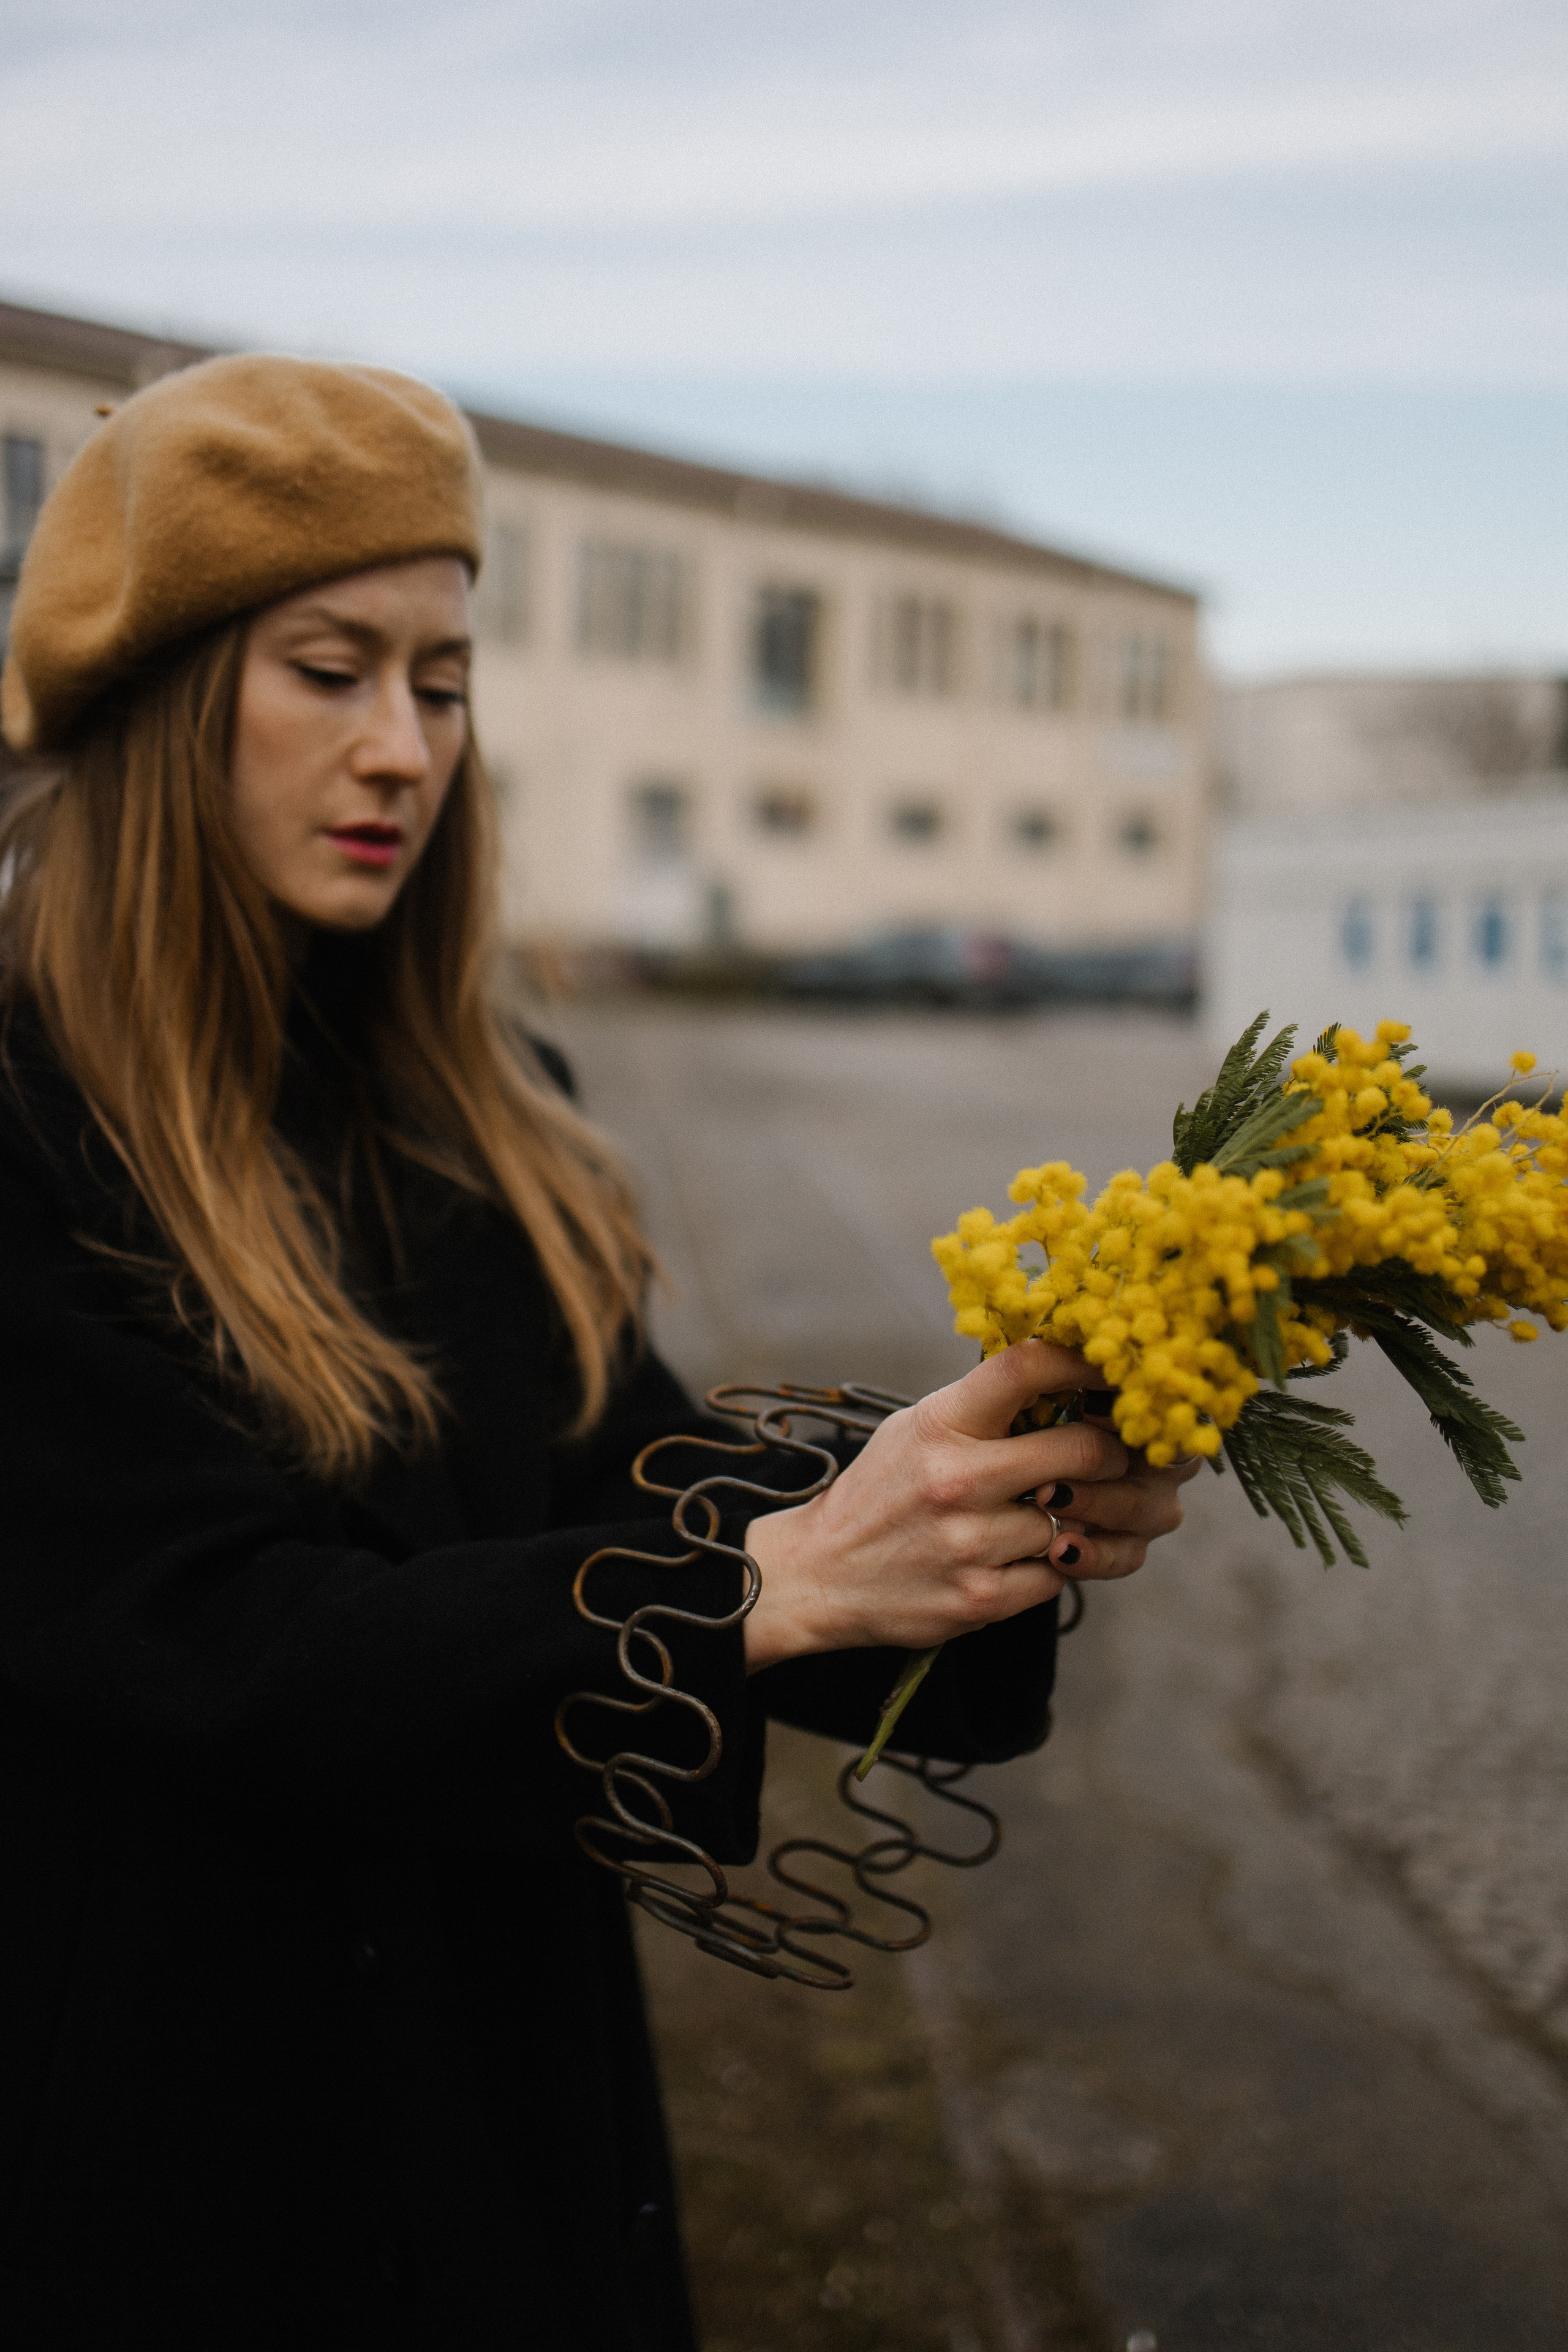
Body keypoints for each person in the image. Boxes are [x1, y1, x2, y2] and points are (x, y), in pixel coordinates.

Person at [0, 354, 1198, 2351]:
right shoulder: (24, 1116)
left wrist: (974, 1507)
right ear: (158, 694)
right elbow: (215, 1638)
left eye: (445, 683)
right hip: (173, 2131)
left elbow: (635, 1485)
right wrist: (758, 1586)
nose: (403, 747)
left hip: (508, 2098)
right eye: (329, 669)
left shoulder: (489, 1106)